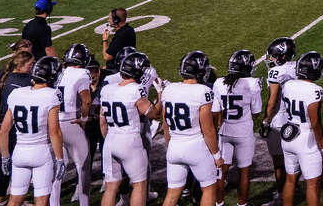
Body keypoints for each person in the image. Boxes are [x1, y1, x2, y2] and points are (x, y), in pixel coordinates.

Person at [0, 55, 65, 206]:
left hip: (19, 152)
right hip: (41, 152)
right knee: (42, 200)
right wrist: (60, 159)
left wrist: (5, 157)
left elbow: (3, 130)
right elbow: (55, 132)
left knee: (14, 200)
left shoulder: (17, 93)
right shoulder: (51, 95)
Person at [161, 51, 224, 206]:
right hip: (195, 146)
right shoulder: (203, 92)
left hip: (174, 146)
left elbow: (165, 125)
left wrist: (169, 145)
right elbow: (208, 130)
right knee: (209, 190)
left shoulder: (169, 89)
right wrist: (216, 155)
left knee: (172, 194)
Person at [99, 51, 158, 206]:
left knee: (111, 187)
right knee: (139, 185)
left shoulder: (107, 89)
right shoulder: (136, 90)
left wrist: (108, 140)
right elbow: (153, 113)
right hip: (129, 139)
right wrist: (160, 95)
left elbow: (102, 120)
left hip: (111, 140)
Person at [280, 52, 323, 206]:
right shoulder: (315, 90)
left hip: (288, 135)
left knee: (290, 180)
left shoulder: (287, 85)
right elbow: (315, 123)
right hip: (306, 139)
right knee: (312, 185)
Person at [213, 50, 261, 206]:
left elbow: (216, 111)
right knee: (244, 172)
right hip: (244, 131)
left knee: (221, 171)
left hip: (225, 130)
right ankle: (242, 204)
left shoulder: (219, 83)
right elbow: (256, 112)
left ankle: (219, 203)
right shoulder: (252, 84)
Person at [56, 43, 95, 206]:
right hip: (71, 122)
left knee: (58, 166)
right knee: (83, 166)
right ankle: (84, 203)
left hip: (54, 123)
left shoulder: (58, 72)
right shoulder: (82, 73)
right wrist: (84, 120)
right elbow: (86, 100)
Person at [263, 36, 300, 197]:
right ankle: (293, 188)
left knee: (279, 163)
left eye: (273, 55)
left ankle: (281, 193)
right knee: (294, 160)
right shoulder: (298, 67)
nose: (271, 59)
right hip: (295, 119)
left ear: (282, 56)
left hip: (278, 120)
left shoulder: (275, 71)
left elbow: (272, 101)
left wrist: (265, 121)